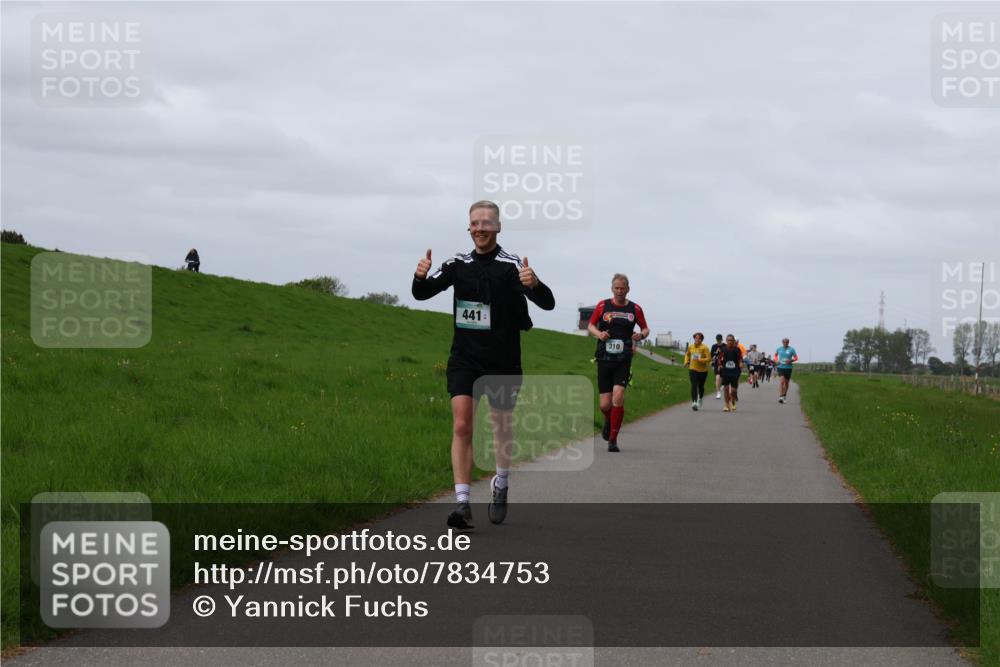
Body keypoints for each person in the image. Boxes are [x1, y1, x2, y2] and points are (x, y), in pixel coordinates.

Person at [412, 201, 555, 529]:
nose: (480, 228)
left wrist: (534, 284)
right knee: (462, 426)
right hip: (465, 358)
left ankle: (501, 483)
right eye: (474, 223)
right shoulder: (457, 264)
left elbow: (547, 303)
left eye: (486, 223)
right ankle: (462, 503)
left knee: (500, 427)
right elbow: (422, 294)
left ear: (498, 227)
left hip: (503, 361)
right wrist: (419, 277)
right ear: (469, 227)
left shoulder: (511, 264)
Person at [587, 274, 650, 452]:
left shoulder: (635, 308)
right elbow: (591, 325)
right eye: (617, 288)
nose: (620, 291)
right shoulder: (602, 305)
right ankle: (609, 420)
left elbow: (645, 328)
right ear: (612, 288)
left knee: (618, 396)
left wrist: (641, 335)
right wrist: (599, 334)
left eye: (623, 288)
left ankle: (613, 439)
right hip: (604, 358)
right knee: (604, 405)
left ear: (628, 289)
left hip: (623, 358)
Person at [683, 332, 711, 411]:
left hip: (703, 371)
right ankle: (694, 402)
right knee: (694, 385)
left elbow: (709, 358)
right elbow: (687, 355)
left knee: (701, 386)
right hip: (693, 369)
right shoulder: (691, 347)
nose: (697, 339)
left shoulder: (704, 348)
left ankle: (700, 398)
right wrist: (686, 362)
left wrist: (700, 360)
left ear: (701, 339)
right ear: (694, 339)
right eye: (696, 338)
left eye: (699, 338)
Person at [716, 334, 743, 412]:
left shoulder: (737, 350)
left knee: (734, 390)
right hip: (726, 371)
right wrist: (720, 365)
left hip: (735, 371)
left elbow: (740, 359)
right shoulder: (723, 349)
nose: (730, 342)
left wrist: (741, 363)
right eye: (728, 340)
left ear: (734, 341)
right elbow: (719, 359)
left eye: (731, 340)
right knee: (726, 388)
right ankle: (726, 405)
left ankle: (733, 401)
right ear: (726, 341)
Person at [774, 337, 799, 404]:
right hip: (780, 367)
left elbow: (796, 358)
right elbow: (775, 355)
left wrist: (791, 360)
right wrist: (776, 360)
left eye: (786, 342)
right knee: (782, 382)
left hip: (788, 368)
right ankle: (781, 396)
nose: (785, 343)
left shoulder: (791, 349)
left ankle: (784, 396)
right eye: (784, 342)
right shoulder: (779, 349)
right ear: (782, 342)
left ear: (788, 342)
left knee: (787, 383)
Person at [710, 334, 724, 399]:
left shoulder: (725, 346)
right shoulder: (714, 346)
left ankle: (721, 385)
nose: (718, 341)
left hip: (723, 364)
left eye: (720, 340)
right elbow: (712, 356)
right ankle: (718, 392)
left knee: (721, 378)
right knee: (717, 377)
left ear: (722, 339)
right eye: (717, 340)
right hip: (716, 364)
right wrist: (716, 352)